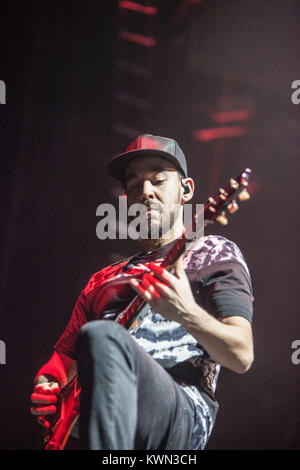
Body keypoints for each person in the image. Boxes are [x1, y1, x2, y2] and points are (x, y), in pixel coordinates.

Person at [30, 134, 254, 450]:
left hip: (180, 411)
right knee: (99, 338)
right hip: (101, 420)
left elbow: (241, 355)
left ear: (186, 190)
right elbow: (61, 363)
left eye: (158, 180)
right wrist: (48, 386)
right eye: (134, 187)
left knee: (101, 337)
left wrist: (186, 313)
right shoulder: (101, 280)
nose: (145, 192)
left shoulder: (212, 253)